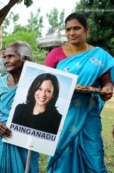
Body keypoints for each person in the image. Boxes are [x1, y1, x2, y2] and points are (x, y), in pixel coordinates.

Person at [44, 12, 114, 172]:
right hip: (61, 113)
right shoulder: (55, 54)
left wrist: (107, 90)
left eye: (76, 28)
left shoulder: (98, 56)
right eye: (68, 29)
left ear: (86, 30)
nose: (72, 33)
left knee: (93, 155)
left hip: (89, 113)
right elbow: (44, 81)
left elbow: (106, 82)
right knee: (61, 156)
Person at [0, 41, 40, 173]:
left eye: (11, 56)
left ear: (25, 59)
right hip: (0, 137)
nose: (6, 61)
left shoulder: (38, 84)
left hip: (26, 140)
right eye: (4, 57)